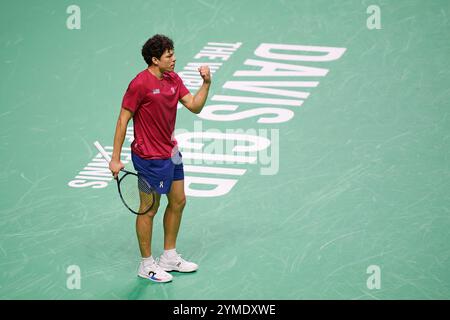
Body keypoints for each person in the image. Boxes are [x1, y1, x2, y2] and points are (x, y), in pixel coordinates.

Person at [109, 34, 211, 283]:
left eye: (173, 53)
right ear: (155, 60)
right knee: (149, 209)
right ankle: (146, 265)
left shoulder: (173, 79)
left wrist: (206, 83)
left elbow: (195, 106)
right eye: (169, 56)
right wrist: (115, 158)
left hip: (171, 153)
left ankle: (169, 257)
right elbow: (123, 120)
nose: (174, 59)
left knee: (179, 201)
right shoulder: (139, 85)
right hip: (148, 157)